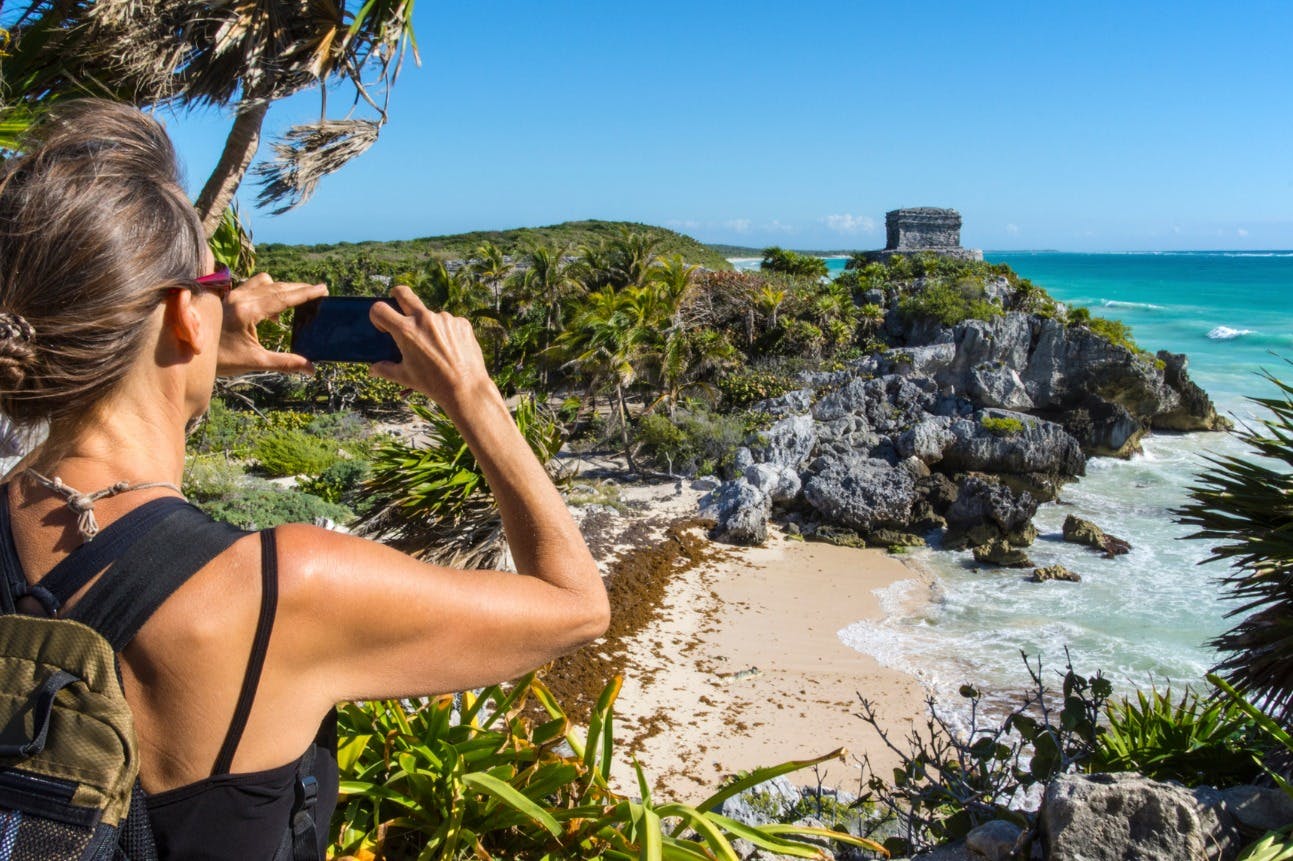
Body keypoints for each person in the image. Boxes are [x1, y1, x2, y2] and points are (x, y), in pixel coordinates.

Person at [0, 99, 608, 859]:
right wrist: (473, 395)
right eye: (215, 282)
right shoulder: (281, 588)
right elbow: (575, 605)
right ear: (186, 315)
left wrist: (178, 355)